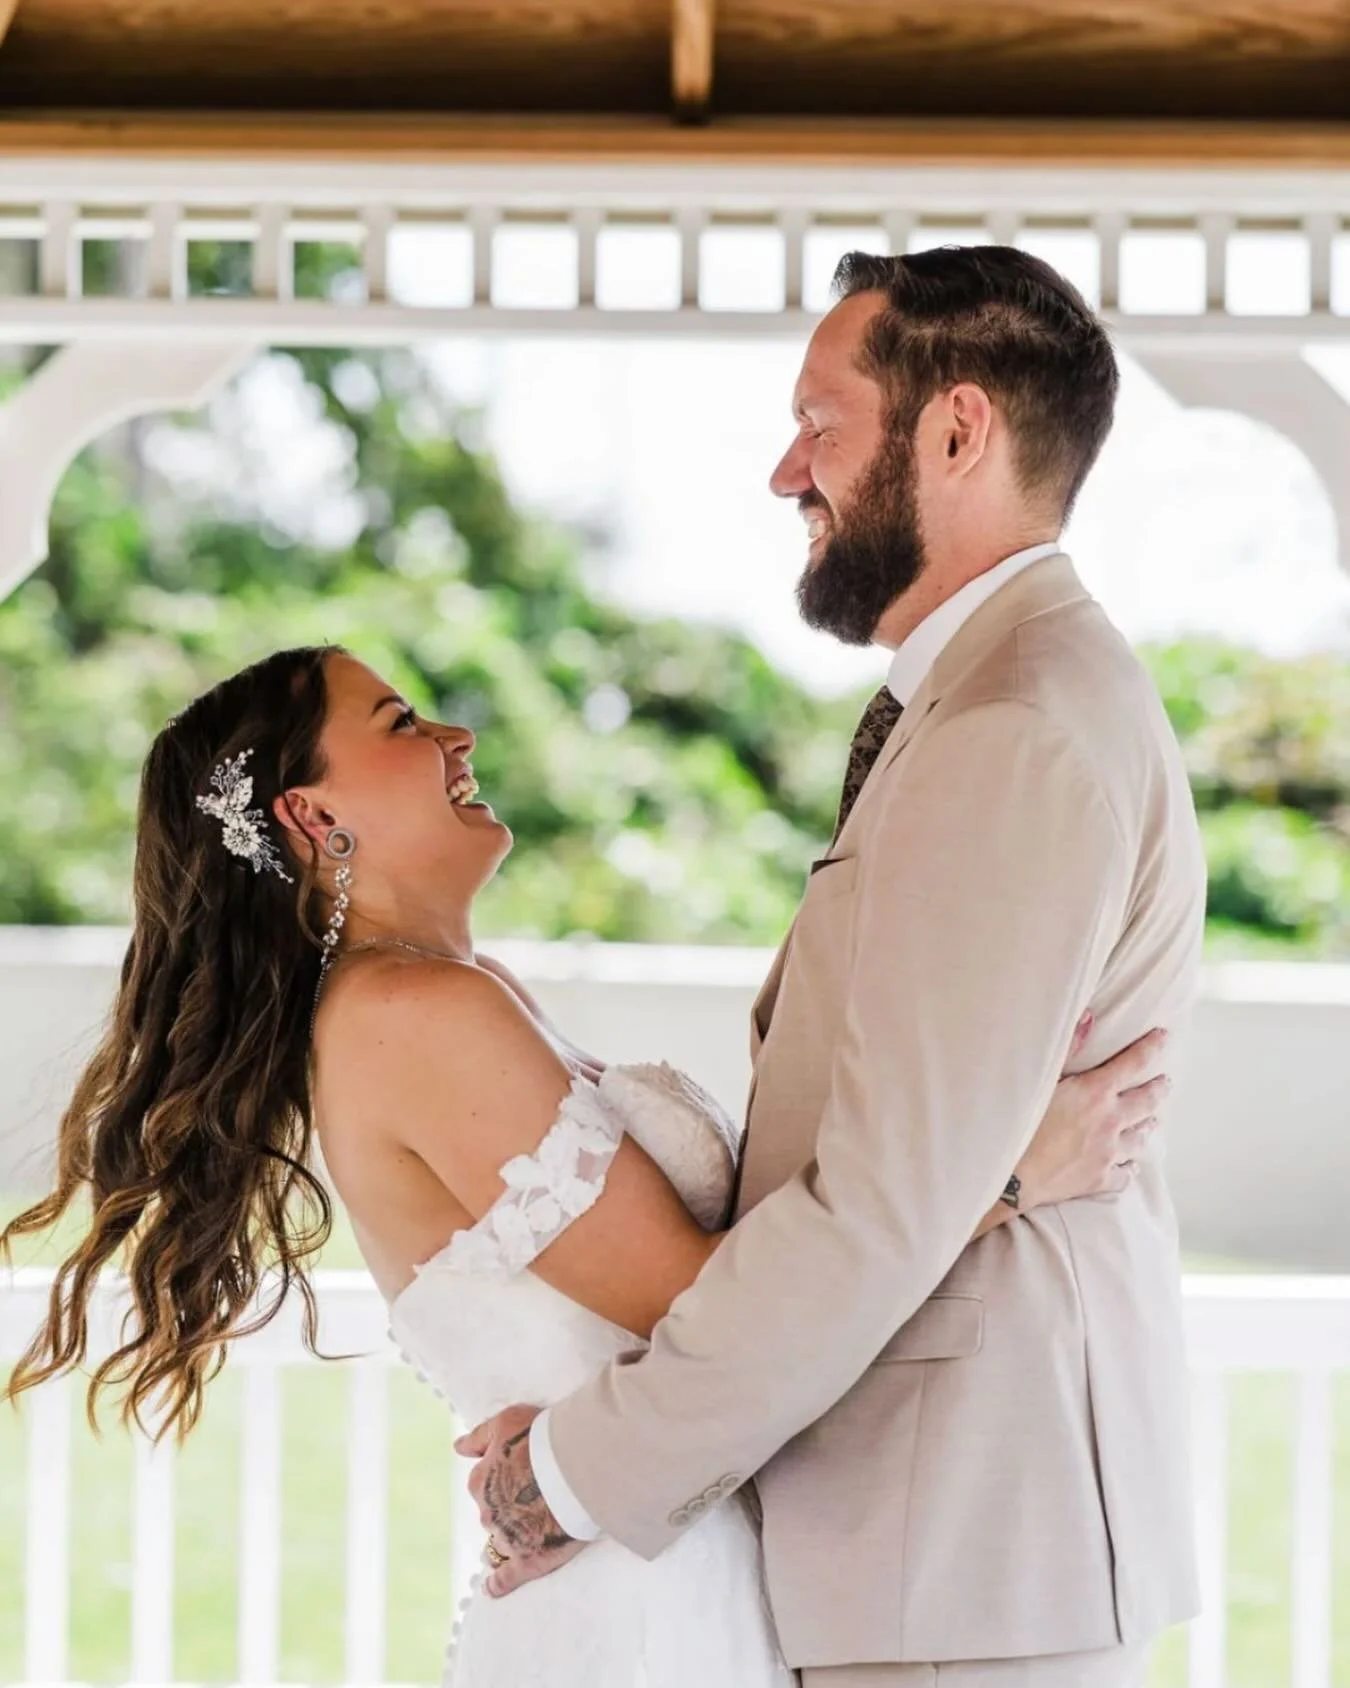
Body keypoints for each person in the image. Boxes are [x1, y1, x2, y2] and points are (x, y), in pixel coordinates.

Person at [4, 633, 1163, 1687]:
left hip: (675, 1560)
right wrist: (1007, 1174)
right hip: (644, 1612)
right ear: (313, 818)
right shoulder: (409, 1013)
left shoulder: (454, 994)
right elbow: (705, 1304)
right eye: (403, 726)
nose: (455, 736)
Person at [462, 245, 1207, 1688]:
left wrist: (567, 1474)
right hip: (944, 1551)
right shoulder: (1004, 692)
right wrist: (996, 1166)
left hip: (963, 1560)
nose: (782, 472)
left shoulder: (1012, 724)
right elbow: (928, 1159)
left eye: (820, 423)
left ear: (954, 429)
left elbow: (876, 1204)